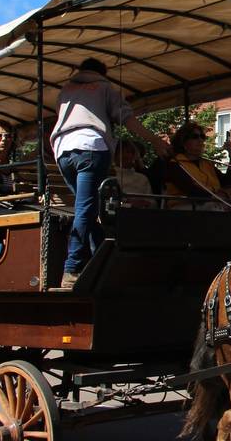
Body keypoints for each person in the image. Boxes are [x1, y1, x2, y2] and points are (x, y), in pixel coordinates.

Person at [50, 58, 171, 289]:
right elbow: (128, 120)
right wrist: (155, 140)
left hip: (63, 152)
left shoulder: (66, 90)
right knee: (85, 208)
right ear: (102, 73)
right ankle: (71, 268)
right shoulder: (105, 88)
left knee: (90, 206)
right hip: (92, 148)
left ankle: (100, 264)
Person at [164, 121, 231, 210]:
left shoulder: (207, 164)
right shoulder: (175, 164)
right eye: (195, 137)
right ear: (183, 142)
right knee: (214, 207)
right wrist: (223, 195)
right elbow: (192, 191)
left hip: (213, 201)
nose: (200, 140)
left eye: (202, 137)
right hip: (185, 206)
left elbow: (227, 182)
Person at [114, 138, 153, 208]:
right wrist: (129, 204)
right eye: (125, 152)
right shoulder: (109, 176)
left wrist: (145, 203)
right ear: (116, 155)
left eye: (131, 152)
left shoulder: (142, 178)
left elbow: (152, 203)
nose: (129, 155)